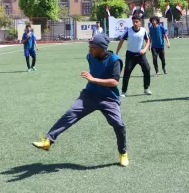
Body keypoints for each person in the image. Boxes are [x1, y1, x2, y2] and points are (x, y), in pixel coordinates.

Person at [32, 33, 128, 167]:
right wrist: (92, 82)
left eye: (92, 47)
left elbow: (114, 82)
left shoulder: (115, 60)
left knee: (119, 124)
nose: (89, 50)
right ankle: (48, 140)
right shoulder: (90, 56)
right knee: (70, 113)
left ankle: (123, 152)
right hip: (90, 94)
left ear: (102, 48)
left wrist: (93, 79)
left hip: (109, 98)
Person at [116, 15, 152, 97]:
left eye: (136, 22)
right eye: (133, 22)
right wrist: (117, 52)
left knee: (147, 69)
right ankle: (123, 92)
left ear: (140, 22)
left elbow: (148, 41)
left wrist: (144, 49)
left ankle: (146, 89)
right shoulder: (128, 31)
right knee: (127, 72)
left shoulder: (143, 30)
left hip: (141, 55)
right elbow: (121, 42)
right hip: (130, 55)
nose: (135, 23)